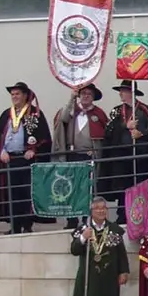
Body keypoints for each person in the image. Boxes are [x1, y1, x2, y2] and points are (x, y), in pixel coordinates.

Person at [0, 82, 52, 235]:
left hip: (27, 160)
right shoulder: (7, 114)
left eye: (17, 94)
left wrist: (33, 149)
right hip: (10, 160)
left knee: (27, 193)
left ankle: (27, 224)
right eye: (12, 94)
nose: (14, 97)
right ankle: (14, 226)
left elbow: (44, 137)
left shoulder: (34, 114)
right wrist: (1, 151)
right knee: (12, 194)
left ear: (25, 95)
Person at [69, 196, 129, 296]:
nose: (101, 211)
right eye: (98, 208)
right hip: (90, 274)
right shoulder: (84, 229)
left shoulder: (114, 230)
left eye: (104, 208)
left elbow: (121, 253)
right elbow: (74, 250)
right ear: (91, 211)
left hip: (110, 274)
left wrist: (123, 271)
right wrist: (83, 238)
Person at [100, 80, 148, 224]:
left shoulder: (145, 110)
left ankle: (139, 213)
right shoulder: (116, 111)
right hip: (121, 155)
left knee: (138, 185)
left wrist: (141, 134)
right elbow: (108, 131)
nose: (120, 94)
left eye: (123, 91)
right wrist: (125, 126)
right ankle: (122, 213)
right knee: (121, 186)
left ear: (131, 92)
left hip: (140, 156)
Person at [53, 84, 107, 229]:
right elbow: (62, 119)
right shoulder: (72, 111)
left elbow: (105, 133)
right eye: (83, 93)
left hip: (90, 156)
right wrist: (71, 98)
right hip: (73, 155)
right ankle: (71, 219)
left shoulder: (99, 113)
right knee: (71, 188)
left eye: (89, 93)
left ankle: (86, 218)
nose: (86, 96)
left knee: (88, 189)